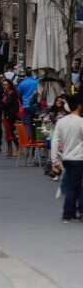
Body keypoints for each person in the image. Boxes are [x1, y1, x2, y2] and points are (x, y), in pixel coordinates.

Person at [50, 94, 83, 222]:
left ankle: (74, 211)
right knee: (75, 186)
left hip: (67, 158)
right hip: (79, 158)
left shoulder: (61, 121)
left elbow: (54, 141)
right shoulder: (81, 122)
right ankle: (69, 212)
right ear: (79, 106)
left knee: (73, 184)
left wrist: (54, 161)